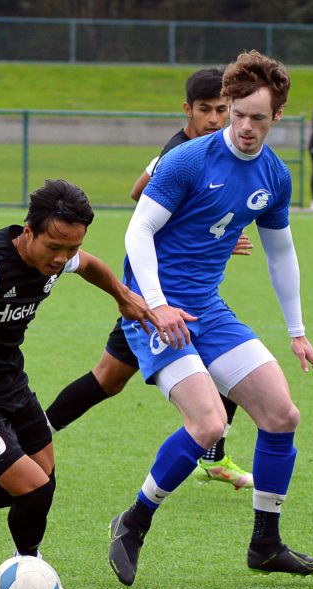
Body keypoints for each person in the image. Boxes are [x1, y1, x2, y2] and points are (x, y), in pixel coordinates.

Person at [107, 51, 313, 586]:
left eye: (258, 117)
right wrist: (155, 305)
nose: (246, 127)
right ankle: (132, 523)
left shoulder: (275, 176)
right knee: (209, 423)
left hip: (208, 307)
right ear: (226, 108)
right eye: (237, 114)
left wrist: (297, 332)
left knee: (281, 414)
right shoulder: (189, 160)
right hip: (153, 306)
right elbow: (137, 232)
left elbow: (281, 254)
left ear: (278, 116)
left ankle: (266, 544)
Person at [0, 179, 163, 589]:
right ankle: (29, 569)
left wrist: (123, 296)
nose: (62, 258)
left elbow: (89, 265)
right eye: (55, 246)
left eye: (70, 247)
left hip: (10, 381)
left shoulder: (59, 256)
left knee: (42, 476)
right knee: (31, 487)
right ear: (28, 231)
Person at [45, 68, 255, 490]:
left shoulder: (216, 150)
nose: (215, 119)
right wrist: (190, 227)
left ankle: (213, 457)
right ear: (188, 110)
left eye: (222, 110)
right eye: (205, 110)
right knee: (108, 378)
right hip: (156, 291)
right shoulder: (180, 153)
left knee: (230, 364)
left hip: (186, 292)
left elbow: (147, 190)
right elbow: (141, 191)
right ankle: (36, 433)